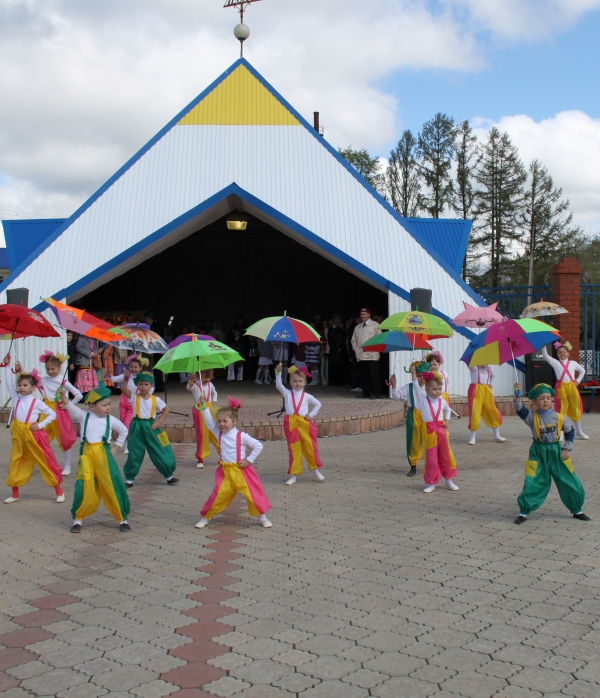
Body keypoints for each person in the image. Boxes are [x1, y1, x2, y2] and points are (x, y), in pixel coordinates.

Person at [513, 382, 590, 525]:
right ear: (534, 401)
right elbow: (519, 410)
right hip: (538, 452)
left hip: (557, 452)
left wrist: (567, 447)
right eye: (541, 398)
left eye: (548, 398)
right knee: (533, 481)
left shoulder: (560, 417)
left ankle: (577, 510)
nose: (546, 401)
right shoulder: (531, 416)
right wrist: (517, 395)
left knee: (568, 480)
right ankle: (524, 511)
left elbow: (570, 431)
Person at [61, 382, 130, 533]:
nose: (108, 408)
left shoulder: (110, 420)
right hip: (86, 456)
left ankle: (122, 518)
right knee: (84, 486)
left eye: (109, 404)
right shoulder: (83, 416)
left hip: (104, 456)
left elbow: (124, 430)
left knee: (112, 484)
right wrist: (64, 398)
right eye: (104, 405)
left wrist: (116, 447)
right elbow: (71, 408)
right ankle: (78, 519)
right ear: (92, 407)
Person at [195, 396, 272, 529]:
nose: (221, 424)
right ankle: (206, 516)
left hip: (241, 470)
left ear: (234, 421)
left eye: (225, 421)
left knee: (252, 494)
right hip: (226, 472)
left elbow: (258, 446)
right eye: (219, 421)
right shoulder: (218, 432)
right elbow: (208, 420)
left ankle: (262, 517)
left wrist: (248, 460)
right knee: (218, 494)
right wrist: (205, 406)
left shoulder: (241, 436)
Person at [3, 358, 64, 504]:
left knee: (44, 460)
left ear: (33, 388)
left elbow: (52, 414)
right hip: (18, 434)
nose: (21, 387)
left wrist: (41, 425)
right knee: (16, 461)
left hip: (33, 435)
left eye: (25, 385)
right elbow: (7, 382)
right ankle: (15, 493)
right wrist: (6, 366)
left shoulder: (37, 402)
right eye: (19, 385)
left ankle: (59, 490)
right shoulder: (16, 397)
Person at [121, 371, 179, 488]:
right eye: (141, 384)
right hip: (137, 425)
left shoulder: (155, 399)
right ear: (137, 385)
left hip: (151, 426)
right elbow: (124, 389)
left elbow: (166, 409)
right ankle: (129, 479)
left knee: (161, 449)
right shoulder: (134, 397)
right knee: (135, 452)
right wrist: (125, 377)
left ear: (151, 386)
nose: (143, 386)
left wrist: (158, 422)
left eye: (146, 384)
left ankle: (168, 475)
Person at [409, 365, 458, 493]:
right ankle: (432, 482)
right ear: (426, 389)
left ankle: (448, 479)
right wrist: (414, 373)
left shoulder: (442, 401)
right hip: (429, 430)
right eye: (435, 389)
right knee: (431, 457)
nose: (438, 391)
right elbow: (415, 385)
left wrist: (447, 420)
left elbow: (447, 411)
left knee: (445, 455)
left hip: (441, 429)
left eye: (440, 389)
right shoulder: (422, 400)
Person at [275, 363, 324, 485]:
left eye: (300, 381)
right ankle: (294, 475)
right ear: (290, 383)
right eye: (295, 381)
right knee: (294, 449)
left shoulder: (307, 396)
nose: (297, 383)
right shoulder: (287, 393)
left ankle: (315, 470)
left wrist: (311, 415)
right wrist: (278, 372)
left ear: (304, 383)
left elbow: (318, 404)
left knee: (309, 446)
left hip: (304, 423)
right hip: (291, 424)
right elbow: (278, 385)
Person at [37, 350, 82, 475]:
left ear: (59, 367)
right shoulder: (44, 380)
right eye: (48, 369)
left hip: (59, 412)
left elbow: (78, 395)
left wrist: (67, 405)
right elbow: (30, 382)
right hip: (46, 411)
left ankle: (67, 466)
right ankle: (46, 463)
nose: (50, 371)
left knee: (64, 439)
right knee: (42, 437)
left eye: (53, 369)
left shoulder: (63, 382)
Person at [541, 340, 588, 440]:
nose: (562, 353)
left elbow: (582, 371)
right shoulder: (555, 363)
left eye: (564, 352)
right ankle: (561, 433)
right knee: (562, 410)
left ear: (568, 353)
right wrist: (543, 347)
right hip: (561, 388)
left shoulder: (573, 363)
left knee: (575, 408)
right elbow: (546, 356)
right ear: (557, 354)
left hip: (572, 387)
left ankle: (579, 431)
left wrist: (577, 381)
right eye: (559, 352)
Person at [391, 361, 428, 477]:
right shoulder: (409, 387)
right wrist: (394, 385)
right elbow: (396, 396)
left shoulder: (430, 387)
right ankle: (413, 465)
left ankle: (432, 465)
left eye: (423, 375)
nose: (421, 378)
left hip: (427, 416)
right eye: (418, 375)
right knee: (413, 441)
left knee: (429, 440)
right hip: (413, 415)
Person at [109, 355, 149, 454]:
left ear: (140, 368)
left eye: (136, 367)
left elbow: (149, 390)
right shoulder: (126, 375)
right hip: (123, 401)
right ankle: (126, 446)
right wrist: (109, 375)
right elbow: (113, 380)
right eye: (131, 366)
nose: (133, 369)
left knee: (128, 425)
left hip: (133, 403)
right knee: (123, 423)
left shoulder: (142, 378)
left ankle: (128, 445)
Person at [187, 370, 220, 468]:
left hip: (209, 407)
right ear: (199, 376)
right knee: (202, 433)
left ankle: (223, 454)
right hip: (199, 409)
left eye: (209, 378)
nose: (208, 380)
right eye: (205, 377)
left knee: (215, 431)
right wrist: (191, 380)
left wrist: (214, 401)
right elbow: (189, 388)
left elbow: (215, 393)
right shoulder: (195, 385)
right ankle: (200, 458)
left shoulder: (210, 384)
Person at [467, 365, 505, 445]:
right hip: (476, 392)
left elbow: (493, 376)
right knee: (475, 413)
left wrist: (491, 385)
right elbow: (470, 364)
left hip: (487, 392)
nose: (486, 363)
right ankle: (472, 437)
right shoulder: (474, 368)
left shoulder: (489, 369)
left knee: (492, 411)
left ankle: (496, 435)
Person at [351, 308, 381, 399]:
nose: (363, 316)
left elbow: (379, 339)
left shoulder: (375, 325)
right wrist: (356, 350)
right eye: (361, 314)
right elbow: (353, 340)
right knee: (363, 376)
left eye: (364, 314)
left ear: (369, 315)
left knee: (374, 376)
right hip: (361, 355)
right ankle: (365, 392)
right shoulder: (357, 327)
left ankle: (376, 393)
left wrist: (373, 349)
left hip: (372, 355)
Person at [327, 316, 348, 387]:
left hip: (341, 352)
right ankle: (333, 381)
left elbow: (345, 340)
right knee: (333, 367)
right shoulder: (330, 330)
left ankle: (340, 381)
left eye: (338, 321)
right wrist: (334, 349)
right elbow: (329, 341)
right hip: (333, 352)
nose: (337, 323)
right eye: (335, 321)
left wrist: (341, 348)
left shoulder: (343, 331)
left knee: (341, 367)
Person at [320, 320, 330, 386]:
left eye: (326, 323)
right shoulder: (321, 331)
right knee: (323, 365)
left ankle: (327, 379)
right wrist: (323, 349)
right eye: (324, 323)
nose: (325, 324)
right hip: (323, 349)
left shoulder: (329, 330)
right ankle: (323, 379)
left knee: (327, 365)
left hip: (328, 348)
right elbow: (320, 341)